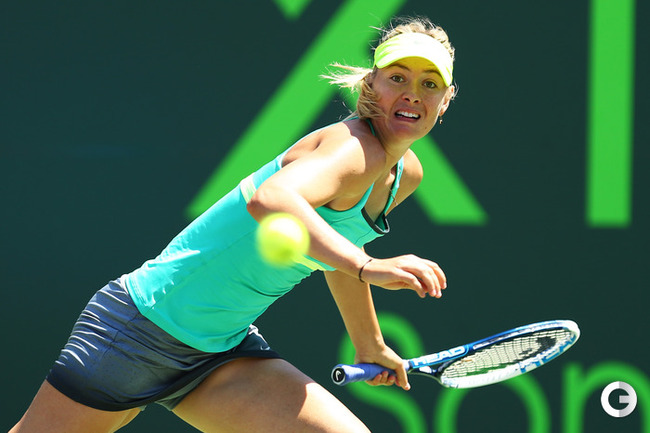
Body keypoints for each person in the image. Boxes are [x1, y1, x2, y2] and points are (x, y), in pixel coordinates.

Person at [11, 15, 456, 433]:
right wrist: (367, 266)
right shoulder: (354, 149)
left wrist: (369, 342)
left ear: (445, 100)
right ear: (371, 84)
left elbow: (335, 246)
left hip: (220, 352)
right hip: (140, 331)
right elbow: (272, 199)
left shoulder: (406, 175)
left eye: (429, 84)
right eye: (397, 78)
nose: (412, 94)